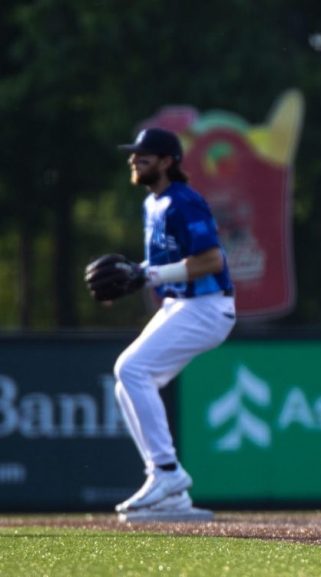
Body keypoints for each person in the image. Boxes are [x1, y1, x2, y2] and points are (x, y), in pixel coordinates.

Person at [86, 127, 236, 521]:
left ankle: (168, 472)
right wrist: (140, 273)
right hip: (181, 305)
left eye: (144, 155)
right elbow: (165, 267)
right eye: (134, 154)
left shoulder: (183, 201)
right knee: (127, 385)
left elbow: (211, 261)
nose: (135, 160)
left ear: (168, 160)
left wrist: (147, 275)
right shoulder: (154, 203)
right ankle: (171, 497)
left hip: (208, 306)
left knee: (131, 368)